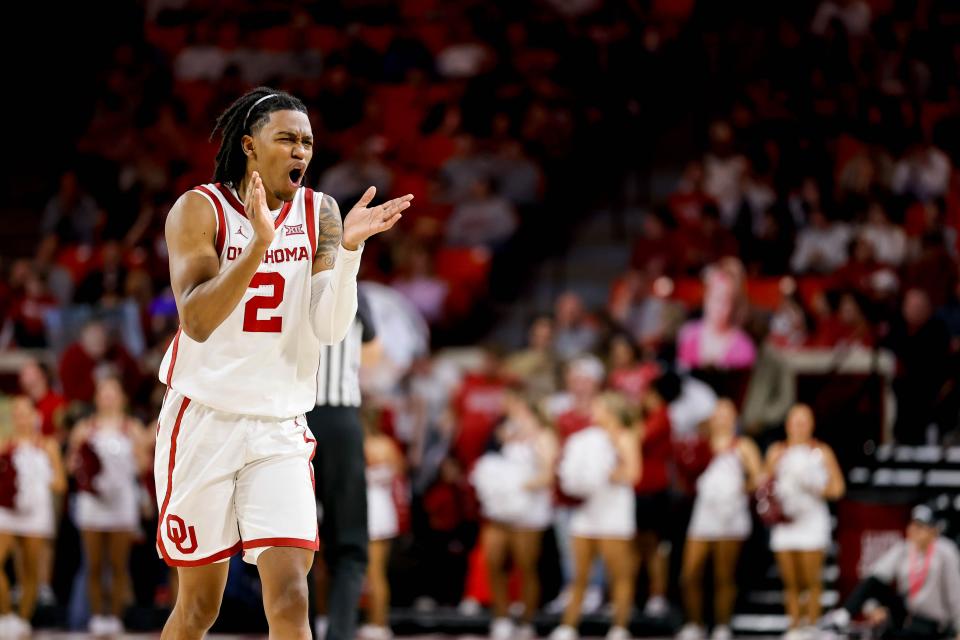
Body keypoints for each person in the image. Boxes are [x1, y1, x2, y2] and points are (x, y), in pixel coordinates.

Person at [152, 86, 412, 639]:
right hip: (205, 420)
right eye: (287, 139)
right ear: (249, 145)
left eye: (308, 142)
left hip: (281, 427)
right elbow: (196, 320)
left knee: (293, 595)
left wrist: (349, 255)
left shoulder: (322, 211)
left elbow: (329, 327)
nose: (301, 151)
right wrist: (256, 247)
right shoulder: (198, 209)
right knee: (200, 607)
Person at [308, 288, 382, 640]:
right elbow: (374, 355)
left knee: (292, 540)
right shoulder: (353, 288)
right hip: (341, 423)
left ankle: (296, 630)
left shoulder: (291, 276)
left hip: (293, 420)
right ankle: (340, 632)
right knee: (350, 541)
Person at [550, 392, 641, 640]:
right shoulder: (586, 439)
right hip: (588, 510)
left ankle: (619, 626)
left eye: (598, 407)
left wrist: (604, 474)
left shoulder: (625, 436)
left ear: (610, 410)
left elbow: (634, 473)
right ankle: (569, 625)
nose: (593, 411)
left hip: (614, 513)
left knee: (619, 575)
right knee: (578, 574)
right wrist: (582, 479)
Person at [68, 377, 151, 635]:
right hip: (93, 503)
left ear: (122, 398)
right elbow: (71, 464)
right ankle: (96, 616)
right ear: (96, 398)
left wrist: (132, 460)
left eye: (113, 393)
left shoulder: (132, 428)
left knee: (118, 564)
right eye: (104, 393)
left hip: (121, 502)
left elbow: (144, 466)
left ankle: (114, 616)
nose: (108, 398)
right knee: (93, 564)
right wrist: (86, 469)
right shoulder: (84, 428)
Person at [676, 399, 764, 640]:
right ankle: (695, 622)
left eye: (727, 414)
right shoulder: (702, 444)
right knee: (690, 573)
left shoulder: (743, 445)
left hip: (731, 516)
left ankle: (722, 624)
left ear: (734, 418)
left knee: (723, 575)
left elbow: (759, 477)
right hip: (704, 514)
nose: (722, 419)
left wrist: (737, 489)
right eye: (718, 414)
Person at [478, 391, 558, 640]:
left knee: (526, 566)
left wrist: (517, 486)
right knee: (494, 561)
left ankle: (526, 619)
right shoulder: (506, 431)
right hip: (501, 510)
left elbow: (548, 475)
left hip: (528, 510)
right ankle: (500, 617)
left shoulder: (545, 437)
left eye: (516, 406)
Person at [765, 404, 845, 639]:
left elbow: (838, 488)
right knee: (790, 581)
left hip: (811, 522)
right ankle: (794, 626)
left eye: (804, 421)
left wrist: (816, 486)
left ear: (811, 425)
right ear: (788, 424)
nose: (799, 426)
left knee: (811, 580)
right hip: (786, 523)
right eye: (795, 421)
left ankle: (811, 626)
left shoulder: (822, 451)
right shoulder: (777, 451)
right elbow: (763, 483)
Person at [821, 505, 960, 640]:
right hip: (905, 615)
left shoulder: (945, 551)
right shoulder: (904, 548)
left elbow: (955, 593)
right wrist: (872, 607)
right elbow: (873, 580)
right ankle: (842, 616)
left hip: (933, 622)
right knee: (876, 581)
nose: (913, 530)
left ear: (933, 531)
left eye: (920, 527)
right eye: (912, 525)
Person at [0, 397, 66, 637]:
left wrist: (37, 480)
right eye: (17, 414)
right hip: (7, 511)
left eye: (25, 413)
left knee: (30, 570)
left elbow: (60, 483)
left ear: (34, 417)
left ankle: (22, 619)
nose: (21, 419)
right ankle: (5, 613)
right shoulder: (5, 444)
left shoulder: (47, 445)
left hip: (36, 512)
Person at [359, 413, 404, 640]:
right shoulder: (388, 444)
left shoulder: (364, 444)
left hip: (372, 509)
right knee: (376, 572)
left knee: (374, 573)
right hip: (384, 507)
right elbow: (400, 473)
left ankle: (379, 623)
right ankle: (375, 621)